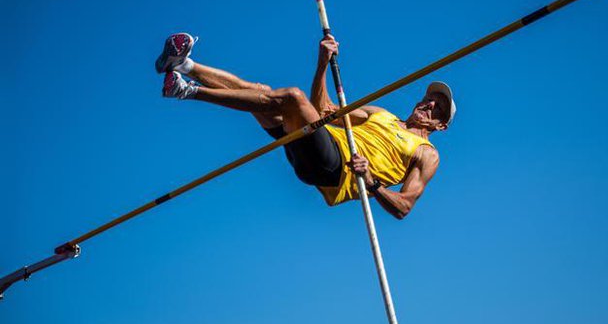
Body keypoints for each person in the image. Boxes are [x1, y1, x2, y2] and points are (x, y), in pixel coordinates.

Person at [155, 33, 456, 219]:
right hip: (318, 140)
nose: (428, 104)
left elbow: (404, 206)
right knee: (260, 92)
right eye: (429, 98)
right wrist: (322, 63)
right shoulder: (383, 115)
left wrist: (373, 182)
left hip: (336, 169)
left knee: (291, 97)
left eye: (437, 107)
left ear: (441, 125)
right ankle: (182, 65)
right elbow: (322, 109)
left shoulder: (426, 153)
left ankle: (186, 90)